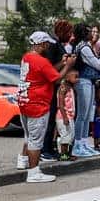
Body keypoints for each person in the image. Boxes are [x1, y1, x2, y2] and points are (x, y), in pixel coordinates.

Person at [18, 32, 75, 183]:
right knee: (36, 140)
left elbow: (47, 71)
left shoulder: (27, 57)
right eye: (47, 44)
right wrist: (68, 65)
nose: (48, 46)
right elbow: (56, 79)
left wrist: (62, 63)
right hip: (38, 104)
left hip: (25, 101)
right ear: (42, 44)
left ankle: (25, 163)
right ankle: (33, 172)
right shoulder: (40, 61)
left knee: (30, 137)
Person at [39, 19, 74, 162]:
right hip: (50, 88)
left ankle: (50, 147)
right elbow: (50, 69)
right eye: (69, 32)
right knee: (49, 120)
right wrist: (65, 63)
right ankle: (44, 149)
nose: (71, 36)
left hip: (56, 86)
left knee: (52, 120)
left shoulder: (58, 45)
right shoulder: (53, 46)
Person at [72, 22, 100, 158]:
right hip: (83, 81)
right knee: (82, 115)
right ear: (83, 33)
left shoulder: (85, 46)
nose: (91, 34)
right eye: (89, 31)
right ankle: (78, 144)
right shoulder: (84, 48)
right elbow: (98, 65)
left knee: (87, 115)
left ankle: (84, 142)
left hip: (89, 81)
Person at [56, 70, 78, 161]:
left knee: (71, 136)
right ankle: (63, 154)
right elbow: (60, 104)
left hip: (70, 116)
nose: (78, 79)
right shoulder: (63, 88)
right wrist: (65, 117)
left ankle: (68, 154)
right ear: (67, 77)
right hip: (63, 116)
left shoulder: (71, 88)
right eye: (75, 77)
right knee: (65, 136)